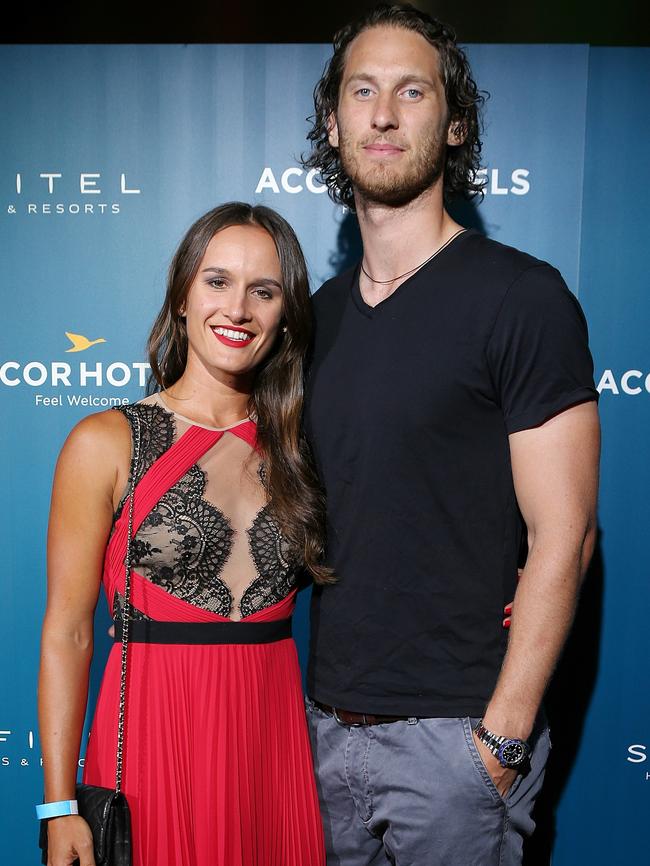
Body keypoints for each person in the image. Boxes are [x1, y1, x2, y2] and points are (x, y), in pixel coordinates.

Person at [301, 5, 600, 865]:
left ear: (454, 120)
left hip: (457, 743)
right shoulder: (314, 322)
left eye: (412, 91)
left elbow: (565, 532)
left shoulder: (521, 298)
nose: (384, 114)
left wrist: (500, 744)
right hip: (324, 734)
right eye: (362, 91)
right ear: (335, 120)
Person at [37, 202, 327, 866]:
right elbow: (68, 632)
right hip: (151, 741)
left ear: (285, 316)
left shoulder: (304, 447)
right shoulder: (107, 441)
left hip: (269, 745)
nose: (239, 309)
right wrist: (58, 807)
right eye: (217, 281)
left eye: (265, 289)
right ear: (181, 299)